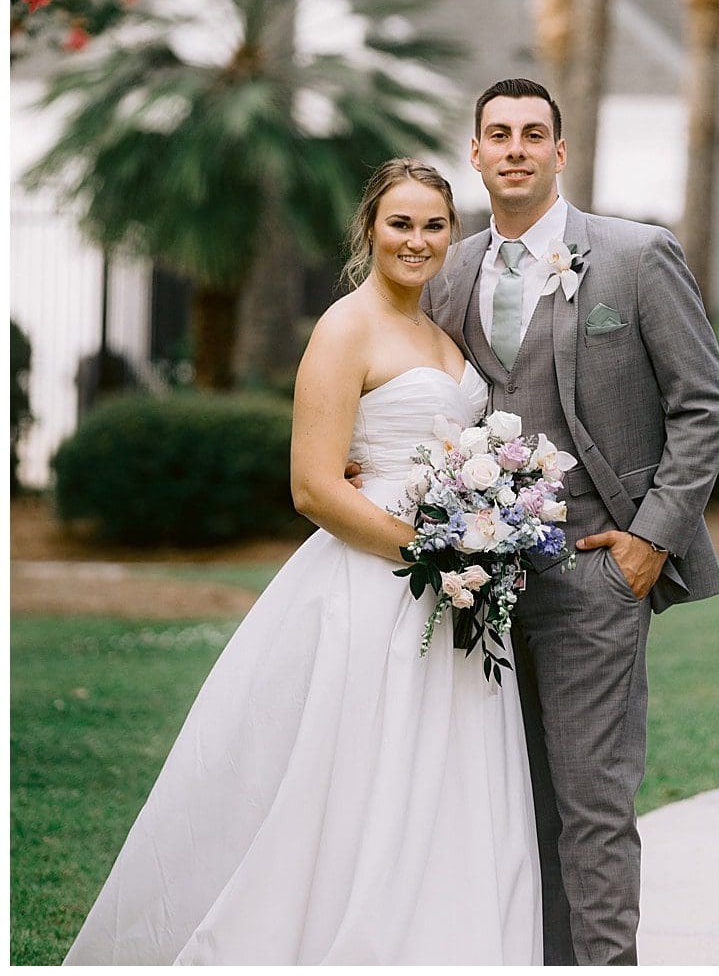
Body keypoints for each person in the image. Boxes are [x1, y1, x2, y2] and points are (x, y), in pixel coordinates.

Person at [67, 160, 542, 963]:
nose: (417, 240)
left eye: (433, 225)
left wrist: (482, 537)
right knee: (356, 780)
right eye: (400, 223)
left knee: (448, 787)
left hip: (456, 597)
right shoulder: (344, 327)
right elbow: (315, 488)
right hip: (376, 586)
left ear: (450, 236)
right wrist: (440, 551)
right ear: (369, 230)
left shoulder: (442, 334)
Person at [418, 77, 719, 966]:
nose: (514, 148)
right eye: (497, 134)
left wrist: (648, 543)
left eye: (533, 134)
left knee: (593, 807)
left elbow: (704, 405)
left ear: (560, 152)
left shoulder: (635, 257)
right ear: (474, 154)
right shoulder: (450, 273)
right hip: (481, 588)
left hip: (598, 575)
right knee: (512, 807)